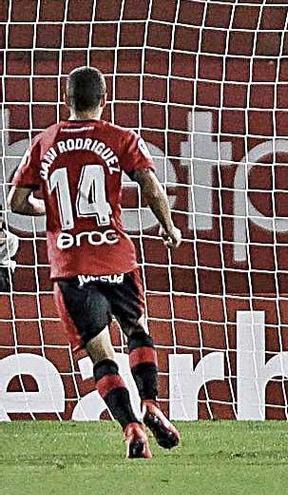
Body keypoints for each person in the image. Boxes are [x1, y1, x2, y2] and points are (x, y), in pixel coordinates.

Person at [7, 66, 182, 459]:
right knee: (138, 330)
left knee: (101, 355)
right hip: (116, 257)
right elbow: (151, 186)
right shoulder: (121, 138)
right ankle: (151, 402)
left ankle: (131, 427)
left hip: (70, 268)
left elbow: (16, 203)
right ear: (105, 100)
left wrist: (48, 209)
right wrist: (169, 226)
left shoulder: (43, 143)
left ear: (66, 101)